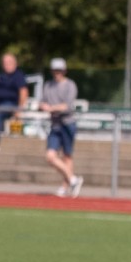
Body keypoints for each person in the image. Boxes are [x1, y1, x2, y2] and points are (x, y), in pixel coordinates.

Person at [40, 58, 83, 197]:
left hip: (67, 124)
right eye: (55, 70)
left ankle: (66, 186)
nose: (57, 73)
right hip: (55, 125)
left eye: (59, 70)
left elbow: (67, 106)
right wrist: (43, 106)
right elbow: (42, 102)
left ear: (64, 71)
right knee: (50, 156)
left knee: (67, 156)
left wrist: (52, 108)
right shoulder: (48, 85)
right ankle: (73, 179)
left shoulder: (70, 85)